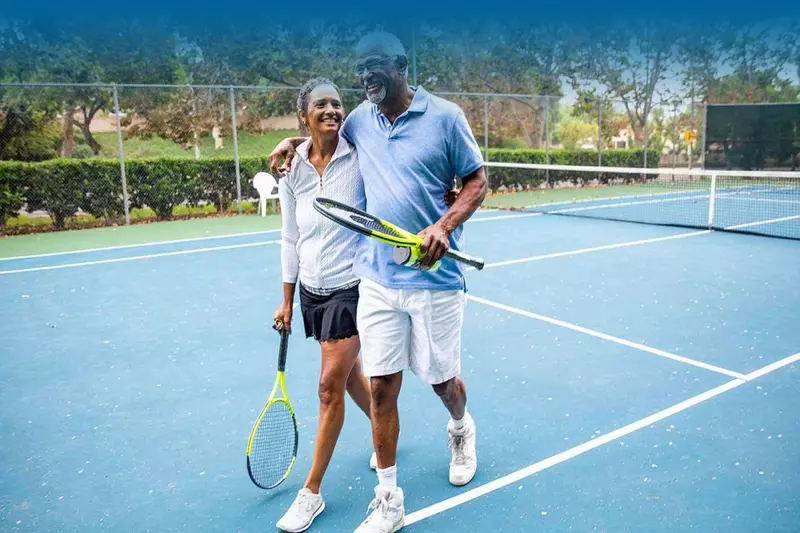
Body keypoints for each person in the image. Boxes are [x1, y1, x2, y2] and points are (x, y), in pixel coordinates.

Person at [270, 31, 488, 533]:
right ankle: (389, 498)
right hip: (376, 279)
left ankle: (460, 426)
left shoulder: (446, 117)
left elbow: (477, 180)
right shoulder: (360, 122)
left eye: (375, 66)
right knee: (383, 388)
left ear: (402, 65)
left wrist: (444, 226)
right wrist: (291, 143)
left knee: (441, 383)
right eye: (360, 68)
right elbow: (319, 134)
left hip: (435, 280)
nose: (366, 75)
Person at [273, 76, 374, 533]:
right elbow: (289, 237)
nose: (332, 111)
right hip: (312, 290)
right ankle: (384, 425)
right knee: (349, 374)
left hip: (351, 286)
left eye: (337, 104)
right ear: (305, 114)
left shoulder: (359, 152)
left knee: (328, 386)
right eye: (321, 106)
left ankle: (311, 492)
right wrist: (287, 300)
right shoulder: (290, 169)